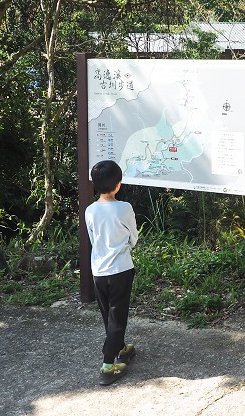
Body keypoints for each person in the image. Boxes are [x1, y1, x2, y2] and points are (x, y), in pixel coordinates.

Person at [85, 160, 139, 385]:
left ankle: (121, 346)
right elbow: (133, 237)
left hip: (98, 269)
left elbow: (92, 238)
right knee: (118, 316)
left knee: (107, 312)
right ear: (118, 184)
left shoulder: (90, 210)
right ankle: (108, 365)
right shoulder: (124, 207)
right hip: (121, 269)